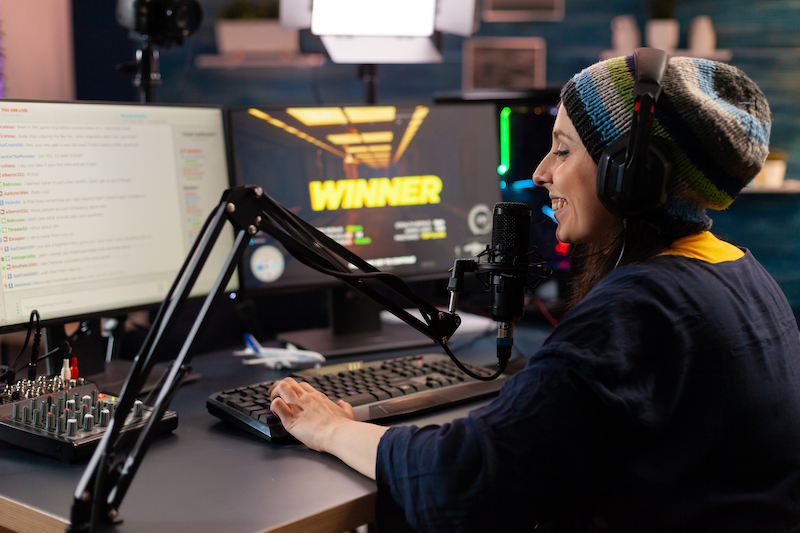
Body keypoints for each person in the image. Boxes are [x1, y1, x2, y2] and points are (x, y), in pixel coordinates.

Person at [268, 52, 800, 532]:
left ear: (631, 175)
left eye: (563, 150)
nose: (540, 172)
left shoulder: (639, 309)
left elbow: (459, 480)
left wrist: (331, 429)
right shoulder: (741, 275)